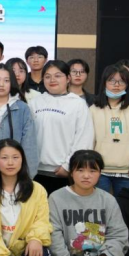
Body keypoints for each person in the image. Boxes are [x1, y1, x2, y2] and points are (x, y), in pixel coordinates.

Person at [29, 60, 94, 195]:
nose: (52, 80)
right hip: (35, 171)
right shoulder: (34, 103)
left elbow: (84, 138)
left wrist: (68, 166)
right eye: (47, 76)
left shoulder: (78, 104)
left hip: (63, 172)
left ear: (68, 78)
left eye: (58, 76)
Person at [90, 64, 129, 196]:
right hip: (100, 170)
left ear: (128, 85)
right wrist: (90, 167)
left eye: (121, 81)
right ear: (104, 83)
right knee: (101, 206)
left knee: (124, 206)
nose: (116, 85)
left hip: (127, 172)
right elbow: (89, 142)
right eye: (111, 80)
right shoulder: (93, 110)